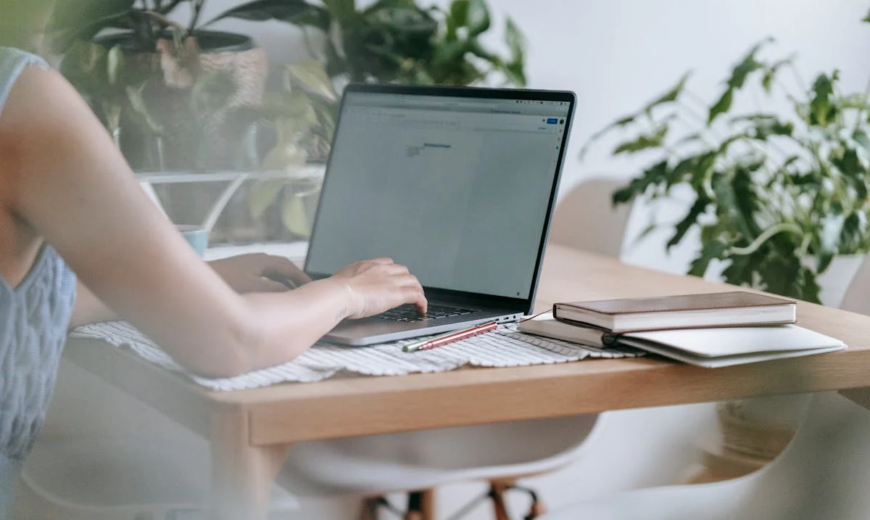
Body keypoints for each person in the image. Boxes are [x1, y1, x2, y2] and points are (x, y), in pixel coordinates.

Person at [0, 0, 428, 514]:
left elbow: (22, 313)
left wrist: (196, 282)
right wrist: (348, 292)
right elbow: (231, 343)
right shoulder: (21, 96)